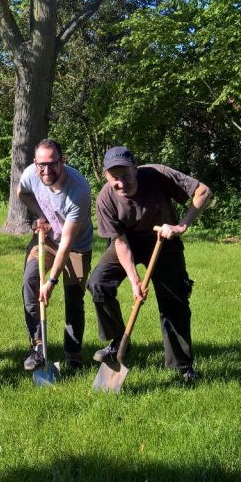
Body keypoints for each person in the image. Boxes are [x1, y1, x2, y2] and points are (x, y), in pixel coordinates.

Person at [86, 146, 211, 383]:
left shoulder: (158, 174)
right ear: (105, 175)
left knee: (174, 300)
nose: (121, 183)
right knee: (98, 283)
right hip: (128, 242)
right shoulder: (105, 198)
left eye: (126, 175)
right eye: (115, 178)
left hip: (165, 241)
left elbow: (203, 191)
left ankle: (181, 367)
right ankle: (118, 342)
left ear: (135, 168)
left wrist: (181, 226)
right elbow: (119, 242)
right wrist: (134, 282)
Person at [17, 138, 94, 373]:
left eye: (52, 164)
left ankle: (73, 357)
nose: (46, 170)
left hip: (76, 246)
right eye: (42, 164)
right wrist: (40, 215)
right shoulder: (32, 173)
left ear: (63, 161)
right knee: (30, 282)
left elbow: (68, 243)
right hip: (48, 240)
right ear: (35, 163)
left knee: (73, 299)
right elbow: (22, 193)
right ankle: (38, 348)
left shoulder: (78, 191)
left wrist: (51, 281)